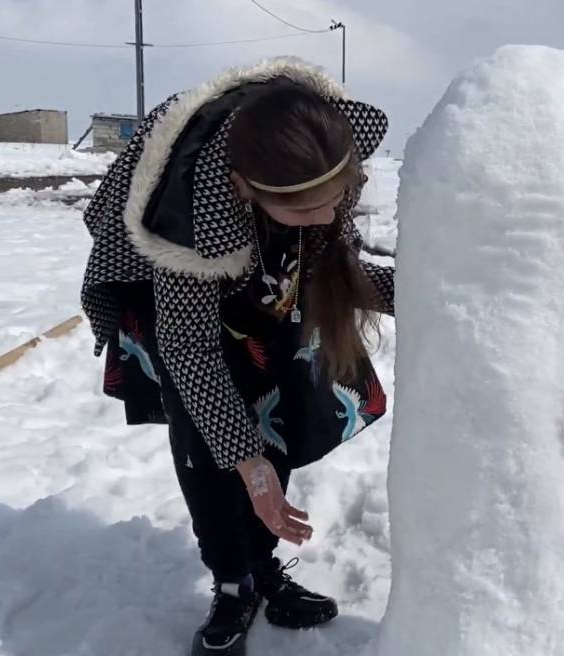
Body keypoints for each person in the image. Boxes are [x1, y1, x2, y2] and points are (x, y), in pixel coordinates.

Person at [80, 57, 394, 656]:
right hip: (191, 341)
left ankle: (264, 567)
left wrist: (434, 286)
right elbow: (189, 349)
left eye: (335, 201)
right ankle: (232, 584)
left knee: (275, 439)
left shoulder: (314, 176)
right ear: (242, 187)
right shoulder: (189, 222)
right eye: (306, 211)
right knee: (211, 461)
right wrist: (247, 466)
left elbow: (335, 269)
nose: (327, 218)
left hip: (265, 319)